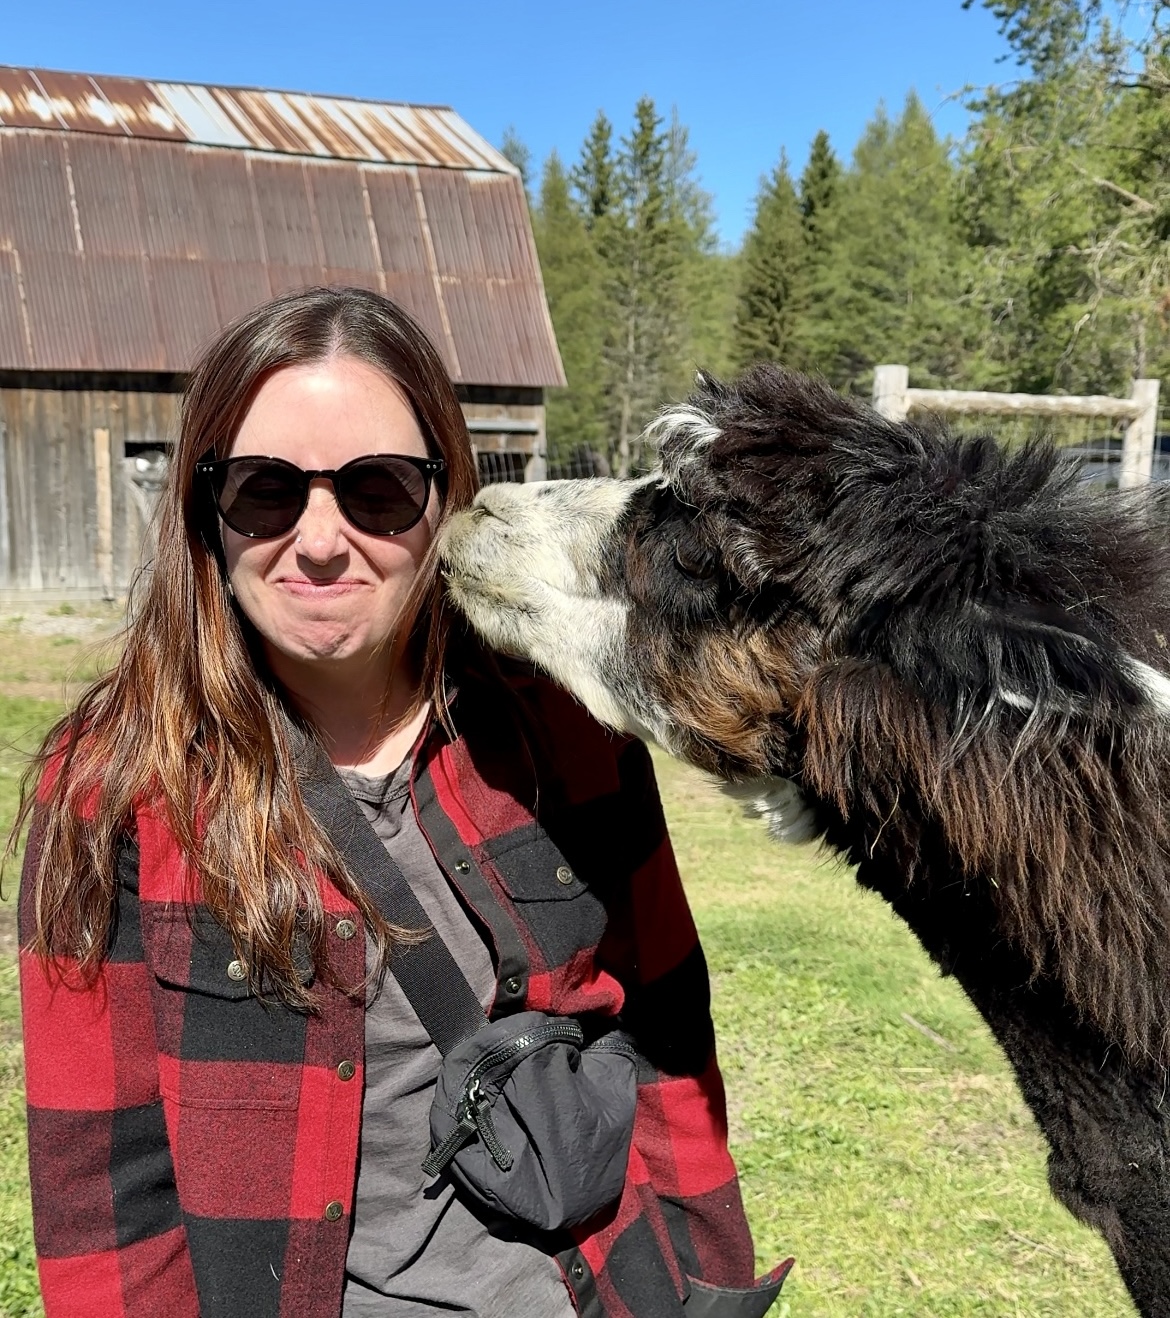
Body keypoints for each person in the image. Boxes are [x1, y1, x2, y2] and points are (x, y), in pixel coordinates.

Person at [13, 287, 791, 1318]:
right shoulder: (111, 787)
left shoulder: (566, 729)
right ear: (207, 508)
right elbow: (101, 1195)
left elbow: (666, 1034)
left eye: (377, 489)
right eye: (265, 491)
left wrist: (713, 1285)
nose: (321, 540)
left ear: (445, 496)